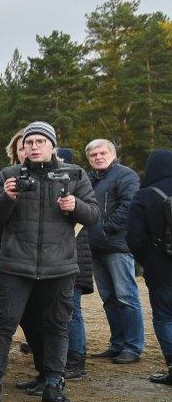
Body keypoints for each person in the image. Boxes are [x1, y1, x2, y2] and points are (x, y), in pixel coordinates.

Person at [0, 122, 99, 402]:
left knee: (57, 326)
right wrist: (8, 197)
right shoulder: (9, 175)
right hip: (16, 265)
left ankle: (54, 384)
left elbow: (93, 214)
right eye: (29, 142)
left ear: (52, 145)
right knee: (2, 325)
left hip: (59, 266)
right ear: (23, 147)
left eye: (40, 142)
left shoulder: (74, 175)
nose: (34, 147)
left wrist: (76, 207)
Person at [84, 138, 144, 364]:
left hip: (117, 245)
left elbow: (128, 206)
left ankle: (133, 346)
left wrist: (104, 229)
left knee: (126, 296)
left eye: (102, 153)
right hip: (96, 247)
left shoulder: (126, 175)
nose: (98, 157)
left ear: (113, 154)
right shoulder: (90, 179)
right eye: (93, 155)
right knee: (108, 297)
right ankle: (118, 342)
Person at [128, 150, 172, 385]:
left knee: (165, 318)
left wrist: (147, 260)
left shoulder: (144, 195)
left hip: (160, 268)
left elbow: (134, 237)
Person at [59, 148, 95, 381]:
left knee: (72, 311)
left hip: (73, 260)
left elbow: (90, 215)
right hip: (66, 259)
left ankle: (76, 358)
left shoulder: (76, 191)